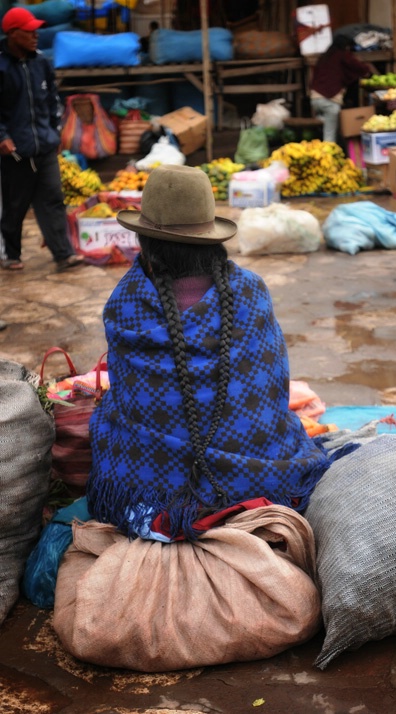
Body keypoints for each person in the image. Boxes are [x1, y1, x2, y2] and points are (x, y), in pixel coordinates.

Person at [86, 164, 331, 542]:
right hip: (257, 483)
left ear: (145, 242)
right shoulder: (251, 291)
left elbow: (133, 400)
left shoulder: (125, 301)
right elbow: (270, 389)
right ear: (210, 238)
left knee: (107, 415)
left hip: (157, 498)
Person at [0, 8, 84, 272]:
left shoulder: (41, 63)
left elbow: (52, 101)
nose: (36, 35)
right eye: (29, 31)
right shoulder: (1, 66)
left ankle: (64, 254)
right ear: (13, 34)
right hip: (15, 151)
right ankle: (11, 254)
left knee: (53, 199)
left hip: (45, 147)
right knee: (15, 206)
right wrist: (2, 136)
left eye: (36, 30)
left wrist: (55, 131)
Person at [309, 34, 377, 144]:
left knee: (331, 126)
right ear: (346, 46)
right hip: (329, 101)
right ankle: (328, 156)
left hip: (315, 99)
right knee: (329, 136)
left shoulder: (325, 56)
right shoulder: (343, 55)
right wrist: (367, 69)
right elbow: (357, 67)